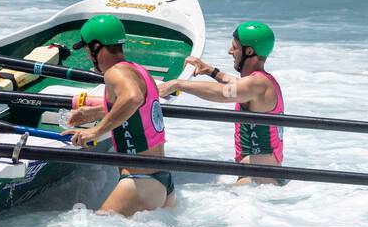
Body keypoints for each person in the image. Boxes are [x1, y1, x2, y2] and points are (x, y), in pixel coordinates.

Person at [63, 14, 174, 215]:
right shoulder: (139, 70)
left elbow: (132, 99)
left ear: (96, 47)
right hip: (162, 181)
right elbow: (142, 107)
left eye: (87, 49)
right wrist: (94, 112)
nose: (88, 56)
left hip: (140, 182)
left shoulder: (114, 73)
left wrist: (96, 131)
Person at [157, 21, 284, 185]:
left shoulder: (257, 84)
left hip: (257, 180)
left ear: (249, 51)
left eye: (235, 47)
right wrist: (209, 70)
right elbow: (235, 84)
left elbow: (224, 93)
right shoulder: (264, 81)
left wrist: (178, 84)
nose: (230, 51)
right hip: (263, 178)